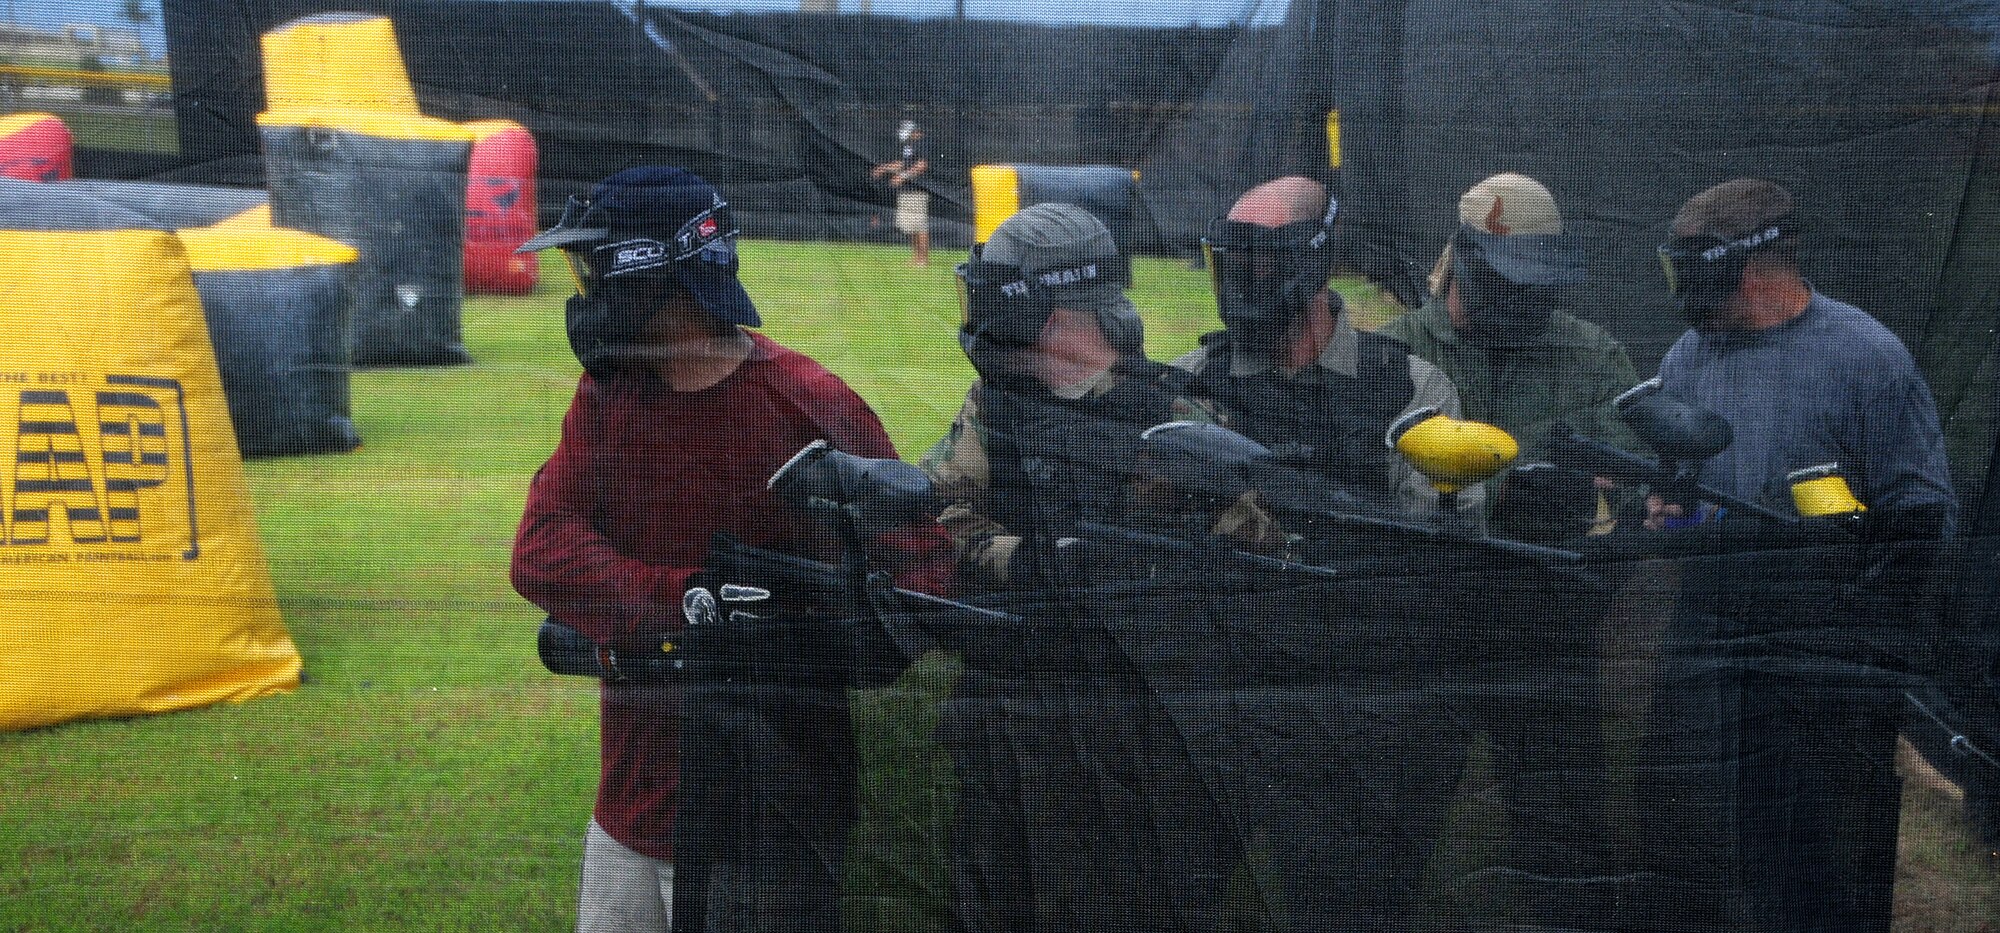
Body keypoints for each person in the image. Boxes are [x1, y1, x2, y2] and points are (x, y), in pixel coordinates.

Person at [509, 166, 947, 933]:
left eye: (593, 266)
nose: (582, 293)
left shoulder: (808, 404)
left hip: (770, 819)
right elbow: (541, 548)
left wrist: (809, 620)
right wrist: (687, 599)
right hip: (631, 804)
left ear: (658, 272)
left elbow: (923, 576)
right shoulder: (612, 396)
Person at [1641, 177, 1956, 933]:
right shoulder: (1691, 352)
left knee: (1809, 846)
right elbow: (1675, 484)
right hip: (1709, 626)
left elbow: (1922, 512)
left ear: (1747, 272)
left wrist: (1856, 606)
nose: (1681, 290)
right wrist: (1662, 507)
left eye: (1692, 270)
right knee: (1683, 824)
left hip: (1821, 643)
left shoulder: (1864, 357)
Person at [920, 203, 1242, 933]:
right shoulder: (996, 407)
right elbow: (939, 513)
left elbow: (1244, 559)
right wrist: (1028, 561)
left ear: (1058, 314)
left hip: (1140, 737)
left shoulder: (1174, 418)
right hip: (1011, 723)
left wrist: (1137, 565)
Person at [1175, 175, 1475, 519]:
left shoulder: (1412, 392)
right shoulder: (1191, 379)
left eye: (1262, 265)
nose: (1242, 287)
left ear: (1314, 265)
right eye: (1234, 266)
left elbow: (1441, 546)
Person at [1379, 172, 1642, 537]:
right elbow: (1369, 480)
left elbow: (1636, 472)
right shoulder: (1394, 352)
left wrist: (1653, 499)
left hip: (1550, 578)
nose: (1525, 296)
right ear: (1466, 260)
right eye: (1510, 279)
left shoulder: (1591, 355)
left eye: (1540, 281)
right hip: (1425, 571)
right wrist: (1497, 492)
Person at [872, 119, 930, 267]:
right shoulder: (908, 146)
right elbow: (903, 164)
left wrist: (903, 176)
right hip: (906, 191)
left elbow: (922, 165)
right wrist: (884, 168)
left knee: (919, 225)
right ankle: (916, 257)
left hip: (917, 190)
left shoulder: (922, 143)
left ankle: (923, 260)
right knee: (910, 226)